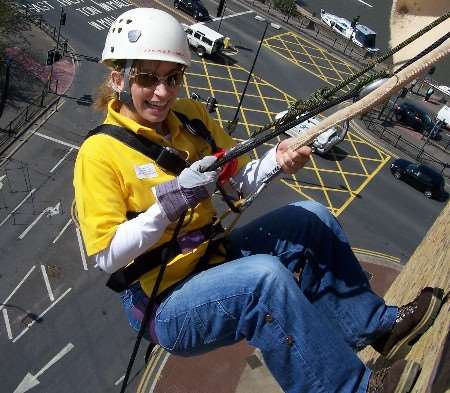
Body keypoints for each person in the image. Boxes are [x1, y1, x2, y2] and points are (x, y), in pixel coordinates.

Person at [73, 8, 443, 393]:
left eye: (173, 77)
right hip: (165, 301)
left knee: (311, 218)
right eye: (148, 78)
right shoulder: (100, 153)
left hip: (211, 260)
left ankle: (377, 327)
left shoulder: (192, 118)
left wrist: (276, 161)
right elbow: (107, 257)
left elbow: (237, 185)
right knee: (262, 280)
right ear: (119, 78)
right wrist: (171, 201)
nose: (163, 92)